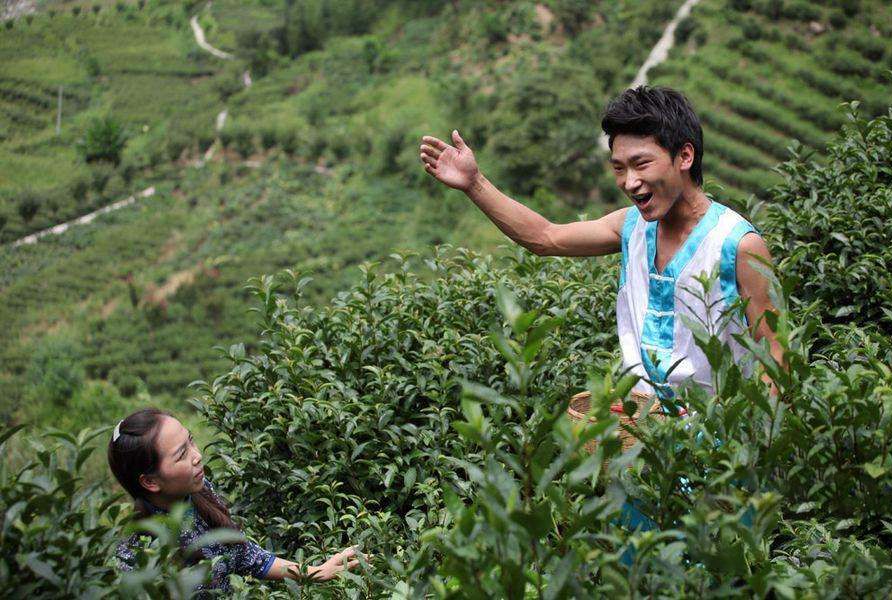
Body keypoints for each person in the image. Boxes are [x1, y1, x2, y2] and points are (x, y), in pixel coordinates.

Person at [419, 85, 784, 402]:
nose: (629, 181)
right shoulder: (631, 228)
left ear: (684, 157)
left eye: (641, 164)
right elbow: (546, 238)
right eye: (619, 168)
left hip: (719, 451)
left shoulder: (737, 246)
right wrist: (474, 183)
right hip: (647, 443)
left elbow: (775, 355)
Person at [107, 408, 361, 593]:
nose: (196, 456)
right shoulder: (138, 555)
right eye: (181, 454)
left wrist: (315, 572)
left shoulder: (200, 490)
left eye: (190, 441)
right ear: (150, 482)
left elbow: (244, 555)